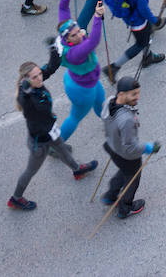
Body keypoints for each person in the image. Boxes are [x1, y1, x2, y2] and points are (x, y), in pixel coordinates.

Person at [7, 59, 99, 211]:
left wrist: (54, 51)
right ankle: (16, 198)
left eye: (39, 75)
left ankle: (77, 170)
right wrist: (29, 92)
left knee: (62, 148)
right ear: (26, 80)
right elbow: (40, 108)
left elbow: (50, 68)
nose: (40, 78)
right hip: (40, 142)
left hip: (50, 130)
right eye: (35, 77)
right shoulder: (26, 98)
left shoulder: (36, 83)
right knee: (31, 171)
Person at [44, 0, 108, 143]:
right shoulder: (74, 53)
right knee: (75, 117)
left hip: (87, 81)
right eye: (74, 35)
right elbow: (93, 41)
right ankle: (56, 145)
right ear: (67, 39)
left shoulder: (65, 29)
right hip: (82, 89)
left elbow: (63, 9)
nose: (79, 35)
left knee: (101, 100)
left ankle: (110, 123)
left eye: (78, 30)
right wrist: (97, 17)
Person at [101, 76, 160, 220]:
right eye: (134, 94)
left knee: (124, 172)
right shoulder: (127, 119)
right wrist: (148, 147)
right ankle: (125, 208)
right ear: (122, 94)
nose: (137, 97)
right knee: (133, 179)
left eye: (138, 93)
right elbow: (131, 147)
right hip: (126, 155)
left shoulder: (110, 101)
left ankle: (110, 195)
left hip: (111, 145)